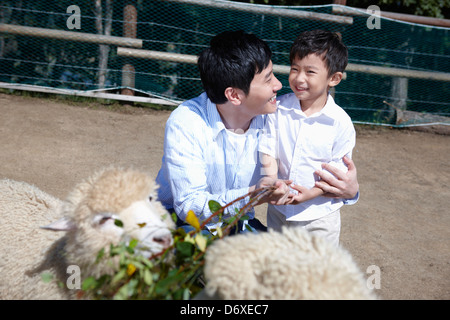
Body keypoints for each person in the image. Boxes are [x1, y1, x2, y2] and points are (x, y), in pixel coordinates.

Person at [156, 30, 358, 234]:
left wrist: (350, 191)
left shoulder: (276, 117)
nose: (279, 85)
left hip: (239, 220)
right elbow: (189, 207)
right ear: (234, 95)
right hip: (181, 223)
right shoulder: (187, 123)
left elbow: (307, 161)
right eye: (268, 79)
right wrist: (253, 195)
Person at [258, 29, 357, 246]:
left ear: (334, 78)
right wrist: (273, 181)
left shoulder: (340, 123)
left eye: (310, 72)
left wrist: (311, 194)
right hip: (279, 210)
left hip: (318, 217)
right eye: (295, 69)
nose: (299, 78)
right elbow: (267, 149)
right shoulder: (278, 108)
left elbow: (338, 173)